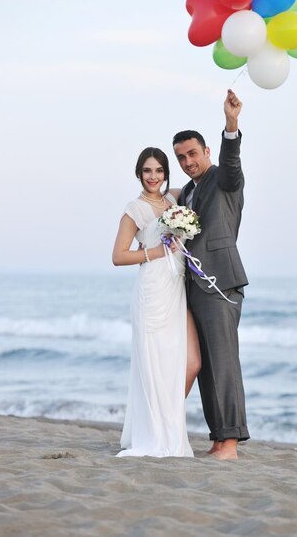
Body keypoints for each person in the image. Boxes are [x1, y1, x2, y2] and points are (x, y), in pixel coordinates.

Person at [172, 89, 250, 461]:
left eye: (192, 154)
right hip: (193, 287)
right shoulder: (187, 191)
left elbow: (232, 165)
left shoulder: (222, 178)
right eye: (181, 157)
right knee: (204, 367)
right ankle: (218, 439)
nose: (187, 161)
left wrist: (231, 125)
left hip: (220, 283)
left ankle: (231, 444)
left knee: (224, 362)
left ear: (205, 152)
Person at [111, 147, 200, 457]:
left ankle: (168, 425)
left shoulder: (174, 201)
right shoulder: (134, 209)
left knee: (188, 363)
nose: (153, 176)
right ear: (139, 173)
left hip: (175, 288)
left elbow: (197, 185)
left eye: (159, 171)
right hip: (151, 289)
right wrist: (155, 252)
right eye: (147, 171)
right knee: (154, 365)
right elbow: (118, 256)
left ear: (166, 174)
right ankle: (155, 433)